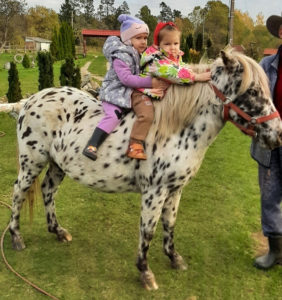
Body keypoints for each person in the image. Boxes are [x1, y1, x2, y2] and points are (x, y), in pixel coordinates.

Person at [83, 14, 167, 161]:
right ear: (128, 39)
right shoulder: (121, 56)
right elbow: (127, 79)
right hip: (114, 94)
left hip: (126, 93)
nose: (143, 42)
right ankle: (93, 144)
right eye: (138, 38)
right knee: (114, 115)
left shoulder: (136, 53)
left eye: (145, 38)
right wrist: (151, 82)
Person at [250, 14, 282, 270]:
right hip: (270, 142)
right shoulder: (266, 65)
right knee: (269, 196)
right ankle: (275, 252)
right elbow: (253, 101)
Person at [137, 22, 211, 101]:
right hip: (146, 93)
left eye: (176, 43)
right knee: (147, 112)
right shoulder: (155, 60)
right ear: (159, 45)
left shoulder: (174, 56)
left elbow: (181, 66)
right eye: (167, 44)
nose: (173, 47)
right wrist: (196, 77)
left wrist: (195, 71)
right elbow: (172, 72)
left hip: (161, 94)